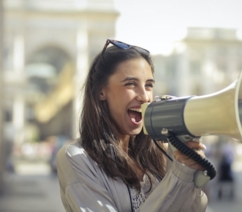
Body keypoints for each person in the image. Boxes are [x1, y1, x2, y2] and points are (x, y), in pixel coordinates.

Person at [56, 39, 208, 211]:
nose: (144, 96)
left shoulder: (162, 152)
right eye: (130, 84)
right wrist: (179, 177)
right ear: (101, 91)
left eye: (149, 85)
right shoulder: (77, 157)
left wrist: (190, 173)